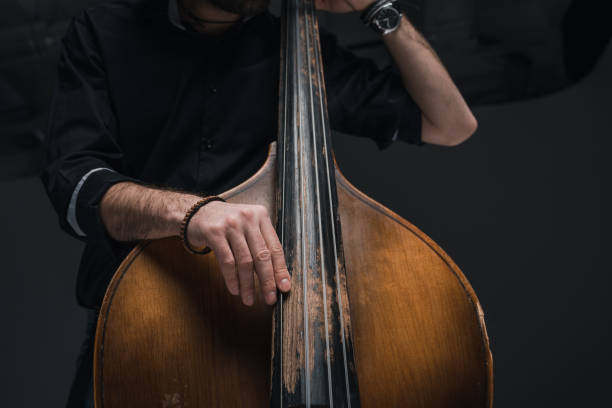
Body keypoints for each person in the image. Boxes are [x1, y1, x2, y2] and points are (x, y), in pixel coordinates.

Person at [41, 0, 477, 406]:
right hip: (142, 325)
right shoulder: (106, 29)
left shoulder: (297, 45)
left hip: (268, 330)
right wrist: (191, 213)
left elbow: (450, 123)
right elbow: (75, 183)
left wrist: (379, 7)